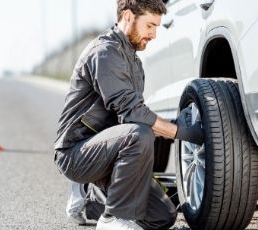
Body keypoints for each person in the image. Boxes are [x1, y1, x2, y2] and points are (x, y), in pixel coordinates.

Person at [54, 0, 204, 229]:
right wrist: (181, 132)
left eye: (156, 27)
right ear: (127, 16)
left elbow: (131, 118)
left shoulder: (134, 62)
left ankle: (91, 200)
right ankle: (112, 219)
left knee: (162, 217)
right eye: (150, 26)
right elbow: (133, 114)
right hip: (76, 152)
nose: (154, 35)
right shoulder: (105, 52)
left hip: (107, 150)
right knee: (138, 134)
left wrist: (174, 125)